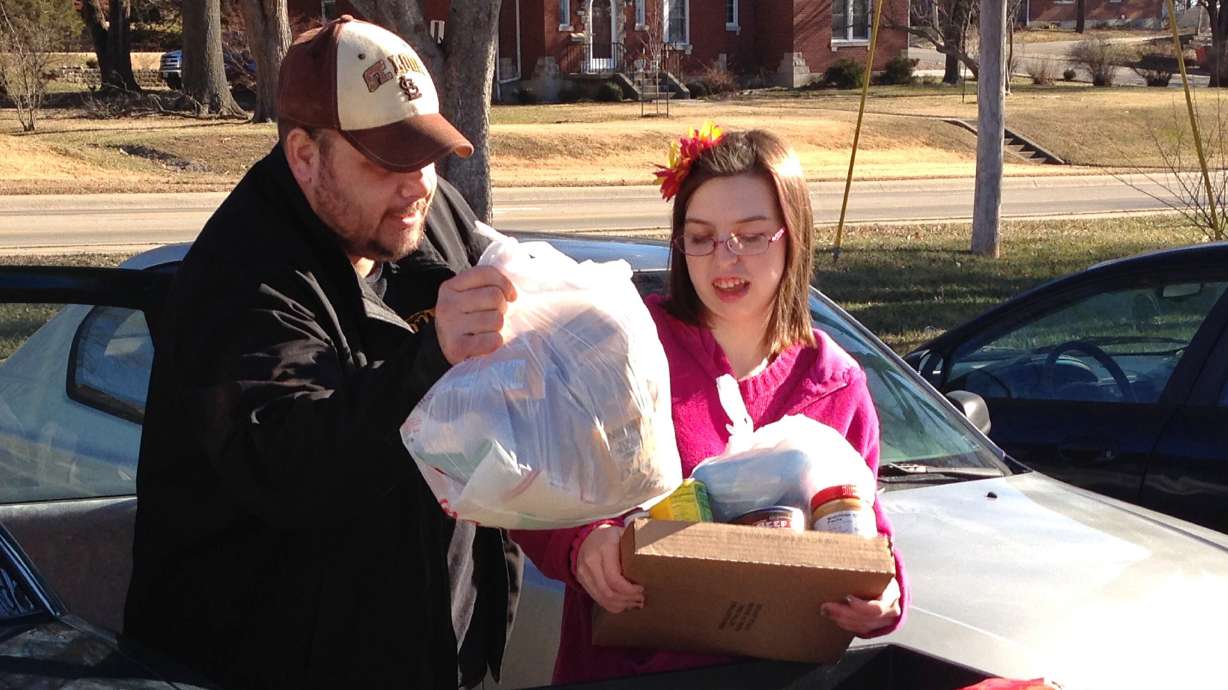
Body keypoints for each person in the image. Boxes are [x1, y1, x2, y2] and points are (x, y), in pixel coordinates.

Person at [124, 17, 522, 690]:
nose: (417, 185)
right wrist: (432, 357)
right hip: (273, 660)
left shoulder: (427, 210)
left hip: (431, 651)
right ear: (305, 156)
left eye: (425, 155)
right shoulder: (240, 280)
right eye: (385, 161)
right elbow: (296, 467)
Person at [513, 124, 908, 684]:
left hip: (773, 674)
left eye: (750, 235)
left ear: (792, 236)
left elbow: (865, 527)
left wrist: (885, 596)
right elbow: (526, 483)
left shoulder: (836, 383)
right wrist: (581, 544)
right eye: (701, 236)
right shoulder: (623, 345)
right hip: (625, 674)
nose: (725, 258)